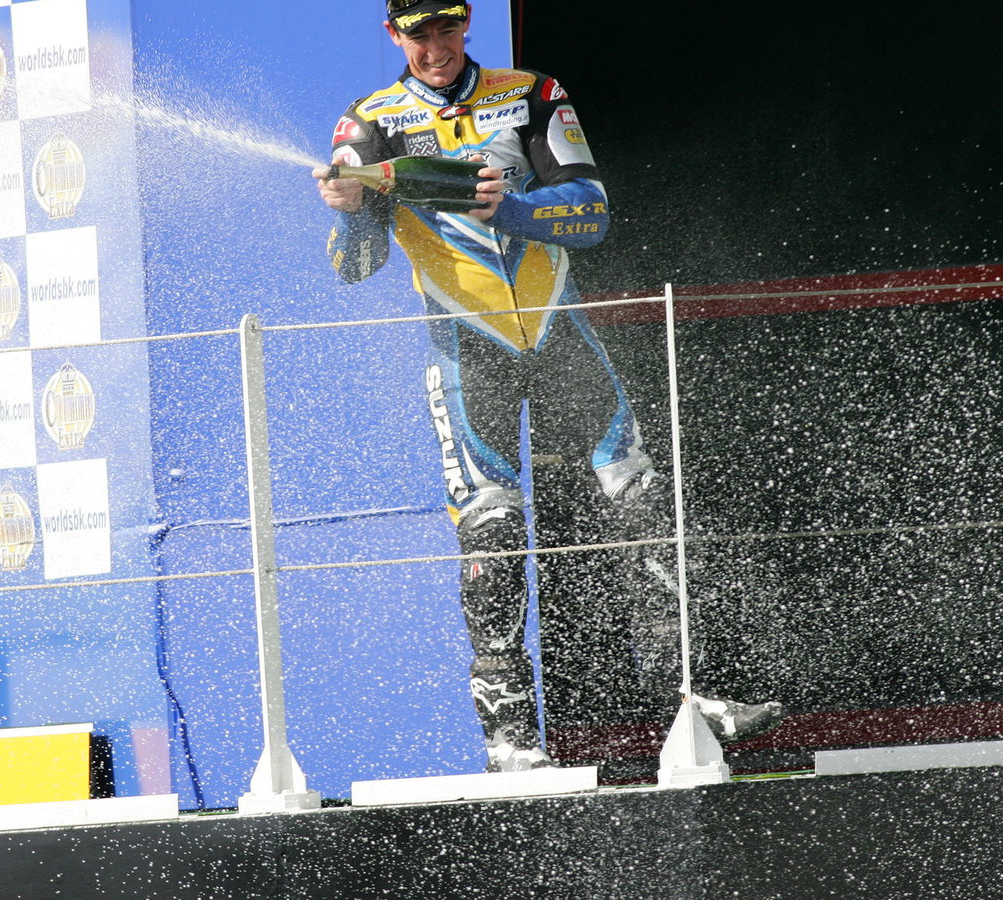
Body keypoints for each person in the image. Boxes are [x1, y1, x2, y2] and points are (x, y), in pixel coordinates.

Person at [313, 0, 784, 772]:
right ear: (394, 35)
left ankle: (691, 699)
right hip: (469, 354)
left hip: (562, 337)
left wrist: (513, 208)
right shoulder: (369, 124)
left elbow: (592, 216)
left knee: (642, 500)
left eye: (447, 28)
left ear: (467, 23)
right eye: (418, 33)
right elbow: (354, 268)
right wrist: (353, 213)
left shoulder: (531, 93)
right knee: (492, 529)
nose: (435, 47)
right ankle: (509, 738)